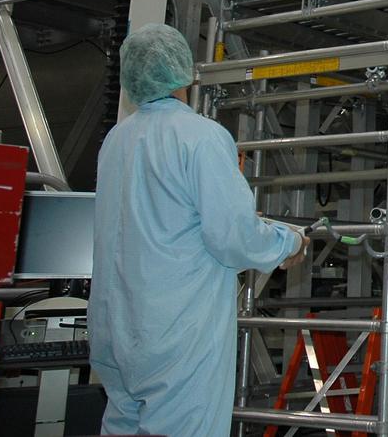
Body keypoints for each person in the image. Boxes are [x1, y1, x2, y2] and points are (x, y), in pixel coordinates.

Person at [89, 24, 307, 437]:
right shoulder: (201, 137)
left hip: (116, 330)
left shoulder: (116, 140)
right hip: (176, 336)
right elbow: (232, 236)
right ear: (185, 71)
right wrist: (287, 243)